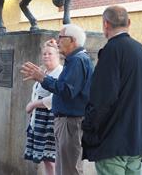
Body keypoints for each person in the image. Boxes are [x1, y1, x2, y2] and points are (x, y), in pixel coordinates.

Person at [82, 6, 142, 175]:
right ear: (129, 23)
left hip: (113, 140)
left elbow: (103, 98)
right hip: (136, 139)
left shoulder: (111, 50)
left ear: (105, 24)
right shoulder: (140, 50)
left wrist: (89, 127)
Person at [21, 24, 94, 175]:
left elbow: (66, 90)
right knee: (63, 167)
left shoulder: (77, 60)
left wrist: (43, 78)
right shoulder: (75, 59)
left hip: (70, 122)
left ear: (72, 40)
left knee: (69, 169)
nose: (57, 40)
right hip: (67, 122)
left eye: (61, 37)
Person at [24, 40, 63, 175]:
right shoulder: (44, 71)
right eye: (44, 53)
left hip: (51, 120)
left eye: (50, 53)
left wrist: (33, 105)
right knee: (46, 159)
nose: (46, 56)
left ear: (58, 55)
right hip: (39, 120)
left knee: (52, 160)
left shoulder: (60, 72)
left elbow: (56, 98)